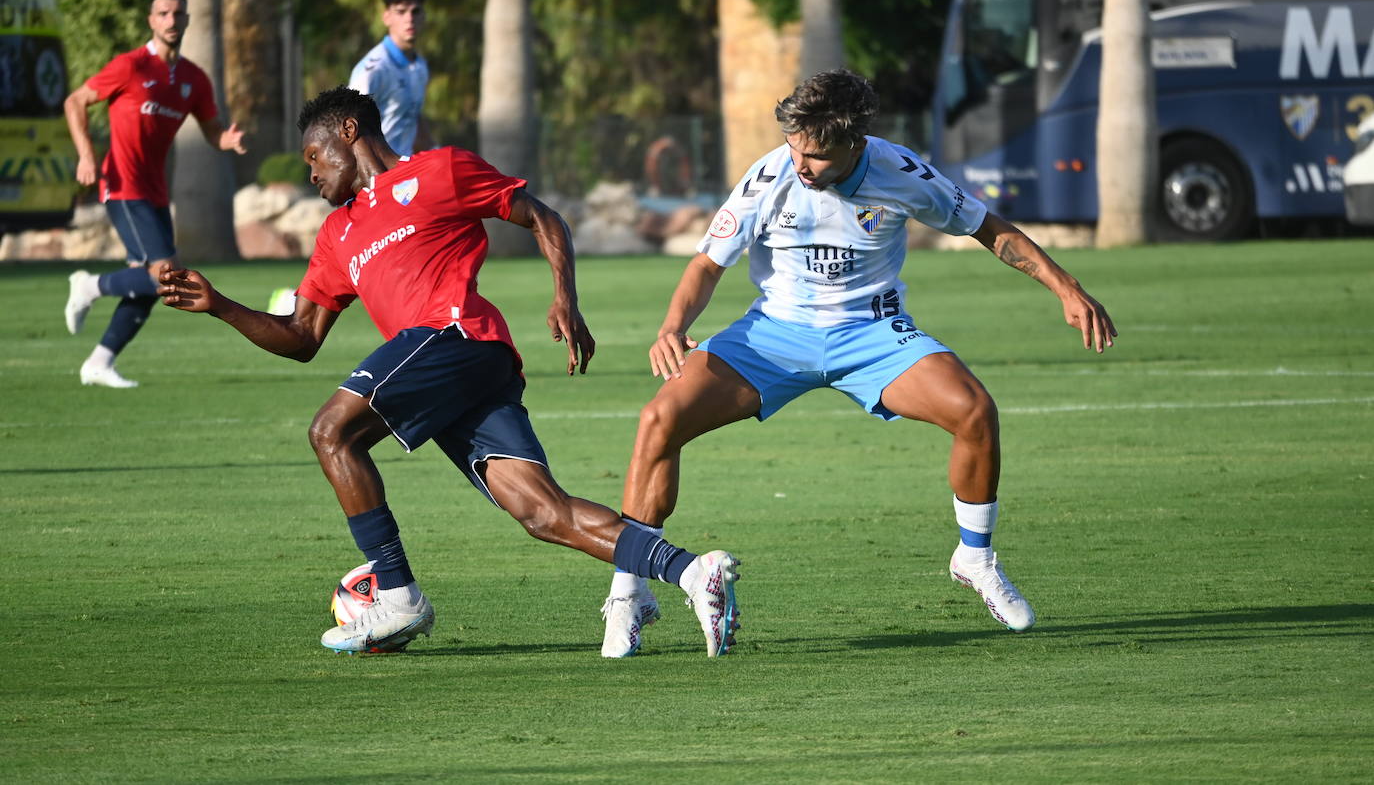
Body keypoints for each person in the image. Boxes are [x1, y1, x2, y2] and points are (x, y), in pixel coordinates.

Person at [156, 86, 740, 657]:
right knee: (542, 513)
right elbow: (302, 337)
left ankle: (397, 593)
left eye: (314, 156)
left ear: (348, 132)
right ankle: (693, 572)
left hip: (459, 337)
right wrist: (222, 306)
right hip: (450, 372)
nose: (310, 173)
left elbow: (543, 217)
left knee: (330, 432)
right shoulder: (337, 235)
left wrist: (566, 297)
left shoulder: (440, 171)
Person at [599, 68, 1116, 658]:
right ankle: (630, 591)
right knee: (658, 420)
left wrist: (1066, 287)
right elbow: (707, 265)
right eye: (795, 147)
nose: (800, 164)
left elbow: (989, 229)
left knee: (974, 411)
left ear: (855, 144)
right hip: (773, 336)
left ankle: (974, 558)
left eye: (816, 155)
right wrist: (673, 326)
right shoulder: (770, 175)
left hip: (873, 335)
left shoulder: (901, 172)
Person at [61, 0, 247, 388]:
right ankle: (88, 285)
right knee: (167, 275)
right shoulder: (131, 66)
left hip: (156, 193)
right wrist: (86, 155)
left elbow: (212, 131)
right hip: (123, 186)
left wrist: (225, 141)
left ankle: (99, 362)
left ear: (187, 20)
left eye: (178, 14)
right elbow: (75, 102)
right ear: (152, 20)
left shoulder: (195, 79)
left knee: (154, 283)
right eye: (162, 13)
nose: (170, 20)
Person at [348, 0, 431, 155]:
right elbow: (348, 130)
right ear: (387, 17)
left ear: (423, 16)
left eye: (415, 11)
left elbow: (415, 119)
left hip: (405, 172)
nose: (409, 19)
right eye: (401, 12)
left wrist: (437, 152)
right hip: (376, 176)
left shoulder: (420, 67)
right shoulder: (373, 69)